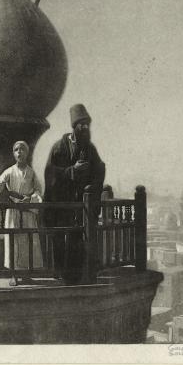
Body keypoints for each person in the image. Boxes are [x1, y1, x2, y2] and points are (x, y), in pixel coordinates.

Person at [43, 104, 106, 284]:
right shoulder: (58, 148)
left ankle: (75, 277)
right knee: (59, 238)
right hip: (61, 203)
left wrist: (92, 188)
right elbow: (50, 173)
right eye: (82, 125)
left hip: (80, 204)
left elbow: (100, 169)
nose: (86, 129)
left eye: (88, 125)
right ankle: (60, 273)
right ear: (75, 127)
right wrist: (71, 171)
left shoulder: (90, 149)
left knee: (76, 239)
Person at [0, 141, 43, 286]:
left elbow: (38, 190)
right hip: (13, 211)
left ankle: (26, 274)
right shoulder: (9, 171)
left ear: (27, 153)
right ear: (13, 153)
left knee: (28, 242)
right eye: (16, 150)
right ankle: (14, 275)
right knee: (13, 242)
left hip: (27, 211)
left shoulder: (31, 172)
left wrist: (30, 198)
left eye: (22, 150)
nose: (19, 153)